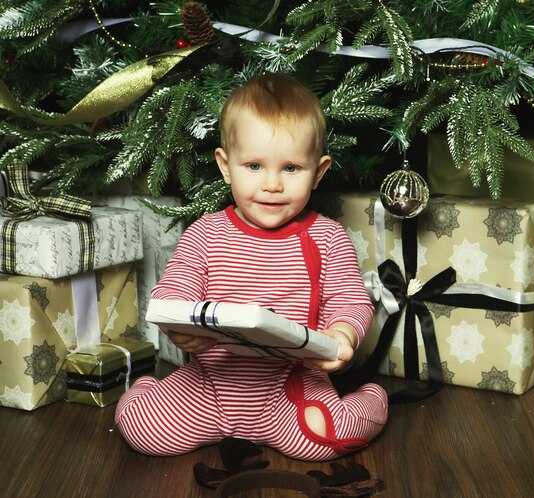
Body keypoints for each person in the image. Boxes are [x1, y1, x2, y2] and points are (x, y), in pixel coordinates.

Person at [115, 72, 388, 461]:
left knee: (331, 437)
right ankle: (146, 387)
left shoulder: (328, 237)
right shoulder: (205, 232)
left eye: (291, 168)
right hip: (210, 382)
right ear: (226, 166)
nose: (272, 184)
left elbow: (350, 299)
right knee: (141, 426)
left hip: (291, 384)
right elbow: (174, 288)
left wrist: (343, 335)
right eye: (254, 166)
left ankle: (372, 398)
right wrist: (179, 329)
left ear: (319, 171)